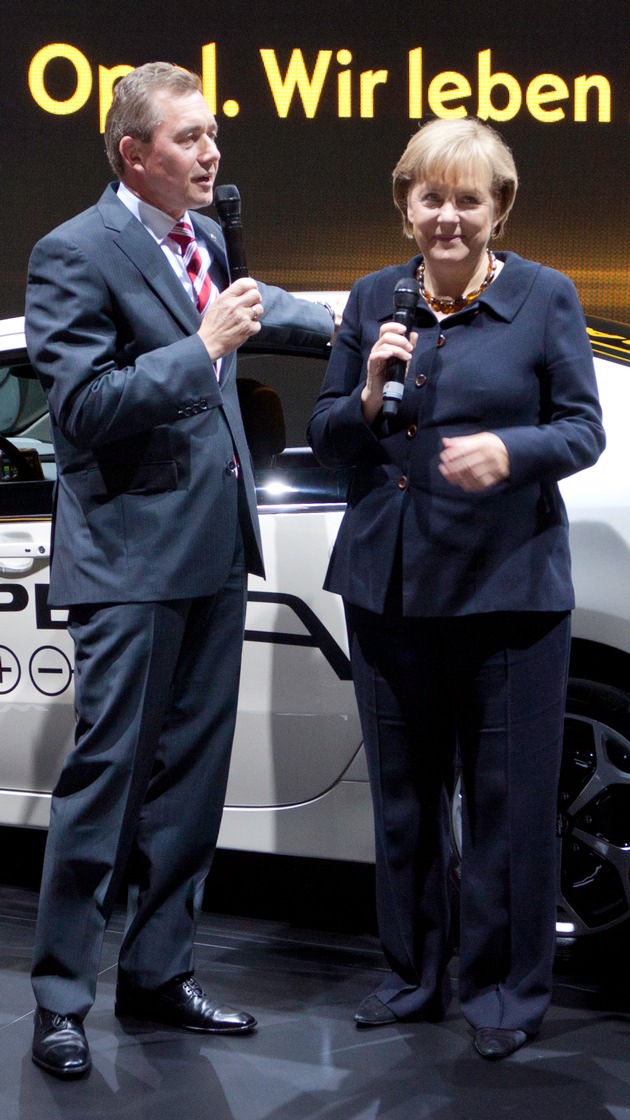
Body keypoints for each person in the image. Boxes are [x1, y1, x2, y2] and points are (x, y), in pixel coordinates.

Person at [25, 61, 333, 1080]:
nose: (212, 153)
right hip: (126, 561)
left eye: (213, 135)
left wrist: (367, 318)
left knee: (191, 789)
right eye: (190, 137)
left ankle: (161, 972)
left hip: (211, 550)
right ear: (134, 153)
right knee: (107, 784)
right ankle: (62, 998)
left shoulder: (199, 239)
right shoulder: (74, 251)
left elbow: (260, 306)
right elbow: (81, 408)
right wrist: (200, 347)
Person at [307, 116, 605, 1060]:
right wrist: (363, 396)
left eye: (466, 199)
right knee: (403, 798)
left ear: (498, 208)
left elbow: (582, 431)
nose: (447, 215)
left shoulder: (546, 298)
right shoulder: (371, 301)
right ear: (405, 206)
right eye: (429, 197)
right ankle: (411, 978)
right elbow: (327, 431)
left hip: (508, 590)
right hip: (388, 584)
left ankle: (506, 997)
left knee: (509, 804)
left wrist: (509, 450)